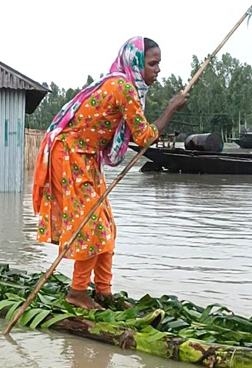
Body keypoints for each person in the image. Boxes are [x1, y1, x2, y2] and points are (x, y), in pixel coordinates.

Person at [32, 37, 188, 310]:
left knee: (106, 224)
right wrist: (172, 107)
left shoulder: (128, 87)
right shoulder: (122, 87)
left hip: (87, 156)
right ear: (137, 64)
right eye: (153, 64)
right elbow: (144, 136)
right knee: (89, 225)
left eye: (159, 64)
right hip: (69, 153)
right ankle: (77, 291)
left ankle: (103, 290)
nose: (158, 70)